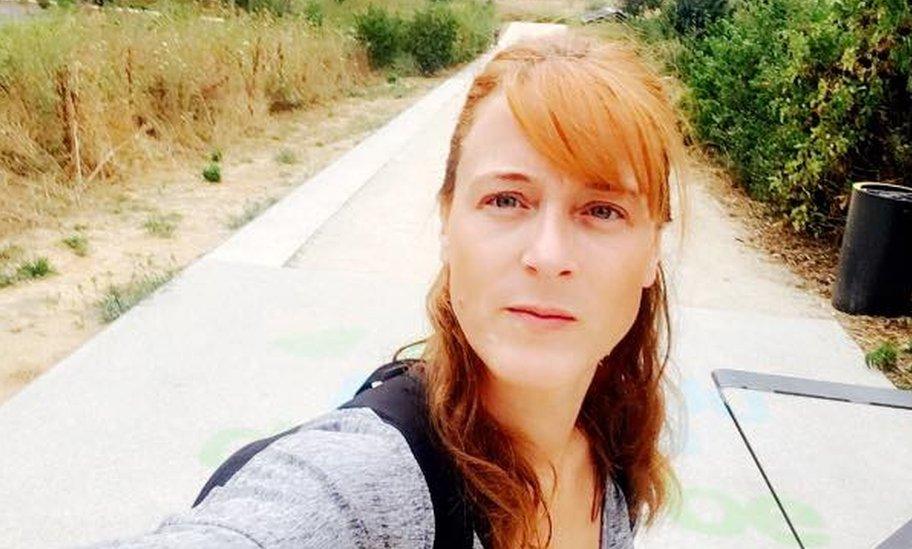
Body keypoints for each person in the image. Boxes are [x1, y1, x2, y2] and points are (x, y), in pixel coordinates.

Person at [82, 28, 688, 549]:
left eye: (603, 210)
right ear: (448, 225)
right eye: (506, 199)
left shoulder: (612, 447)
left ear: (651, 253)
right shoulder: (366, 483)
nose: (549, 256)